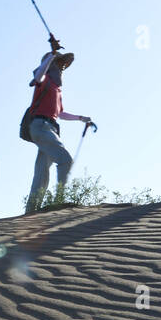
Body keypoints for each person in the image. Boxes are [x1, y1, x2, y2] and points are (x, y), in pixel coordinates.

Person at [23, 39, 95, 212]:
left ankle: (31, 211)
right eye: (59, 64)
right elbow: (36, 77)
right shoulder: (45, 79)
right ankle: (59, 200)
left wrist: (81, 118)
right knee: (65, 160)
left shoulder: (57, 89)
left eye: (63, 65)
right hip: (41, 126)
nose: (62, 68)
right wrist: (53, 55)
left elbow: (60, 113)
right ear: (52, 65)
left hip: (50, 128)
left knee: (41, 174)